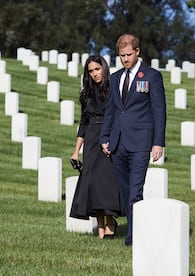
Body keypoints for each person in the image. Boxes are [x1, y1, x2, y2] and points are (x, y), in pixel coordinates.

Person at [100, 34, 166, 246]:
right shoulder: (115, 77)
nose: (125, 59)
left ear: (138, 52)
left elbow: (159, 111)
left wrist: (158, 143)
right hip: (118, 142)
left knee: (135, 190)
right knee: (125, 190)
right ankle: (137, 228)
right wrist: (105, 136)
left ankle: (133, 237)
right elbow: (110, 109)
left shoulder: (152, 76)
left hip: (140, 143)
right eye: (121, 55)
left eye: (129, 54)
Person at [70, 55, 124, 239]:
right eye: (91, 71)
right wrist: (76, 151)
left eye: (97, 69)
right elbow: (83, 123)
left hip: (108, 136)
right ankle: (101, 228)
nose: (94, 74)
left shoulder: (113, 90)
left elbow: (119, 117)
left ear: (104, 68)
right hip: (92, 139)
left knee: (106, 183)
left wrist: (112, 139)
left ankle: (111, 221)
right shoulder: (86, 94)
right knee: (92, 183)